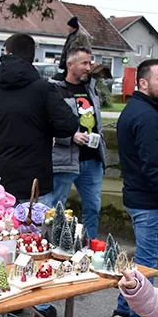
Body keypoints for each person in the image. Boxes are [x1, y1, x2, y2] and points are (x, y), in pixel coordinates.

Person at [0, 33, 78, 202]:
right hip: (37, 183)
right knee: (37, 228)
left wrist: (1, 134)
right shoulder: (43, 89)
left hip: (3, 180)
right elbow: (69, 125)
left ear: (8, 53)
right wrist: (45, 129)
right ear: (31, 57)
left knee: (3, 227)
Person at [113, 59, 158, 317]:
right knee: (146, 265)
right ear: (143, 83)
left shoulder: (139, 110)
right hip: (150, 202)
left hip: (140, 197)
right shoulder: (148, 116)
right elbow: (154, 166)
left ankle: (123, 310)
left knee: (140, 261)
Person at [49, 47, 105, 239]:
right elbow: (48, 123)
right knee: (57, 206)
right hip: (66, 159)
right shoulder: (54, 89)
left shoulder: (91, 87)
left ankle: (90, 245)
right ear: (70, 65)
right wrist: (70, 136)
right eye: (84, 63)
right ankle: (55, 243)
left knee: (93, 207)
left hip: (92, 159)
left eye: (90, 63)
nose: (88, 67)